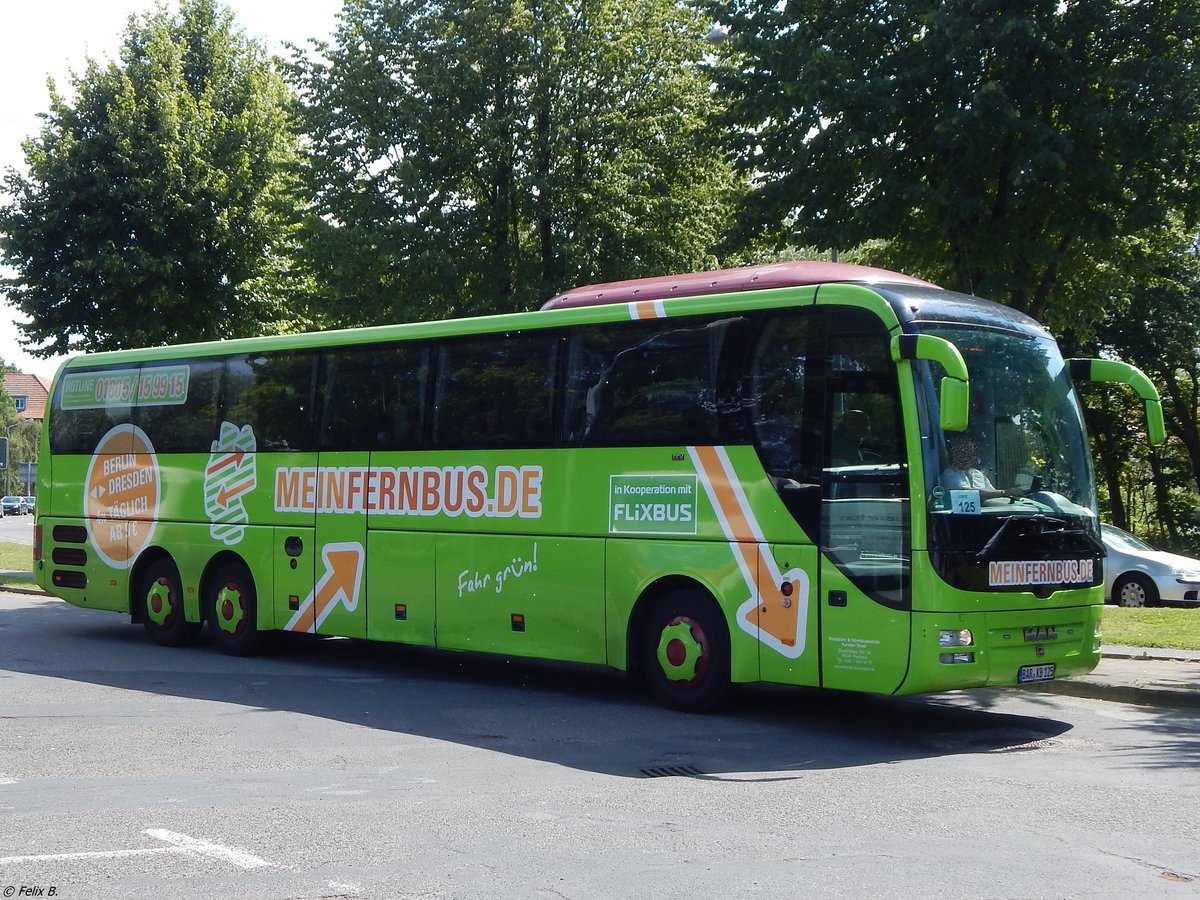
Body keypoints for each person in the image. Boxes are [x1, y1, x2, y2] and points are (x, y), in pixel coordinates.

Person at [941, 434, 1023, 501]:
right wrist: (1004, 492)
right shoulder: (950, 474)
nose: (971, 457)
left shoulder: (978, 474)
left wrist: (1010, 494)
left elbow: (993, 493)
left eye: (973, 453)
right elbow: (967, 493)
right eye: (966, 453)